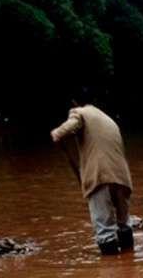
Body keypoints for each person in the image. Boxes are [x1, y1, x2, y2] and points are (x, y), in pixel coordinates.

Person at [50, 90, 133, 256]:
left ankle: (111, 273)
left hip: (100, 175)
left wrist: (57, 133)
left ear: (75, 102)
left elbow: (71, 124)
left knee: (104, 229)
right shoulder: (106, 118)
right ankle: (129, 265)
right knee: (124, 224)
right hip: (121, 176)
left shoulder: (79, 112)